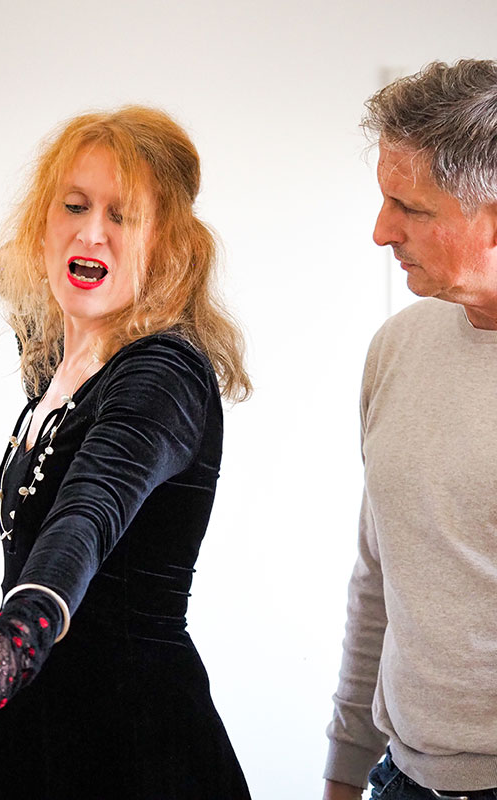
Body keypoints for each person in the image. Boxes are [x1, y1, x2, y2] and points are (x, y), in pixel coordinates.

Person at [0, 106, 253, 800]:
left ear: (165, 247)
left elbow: (86, 513)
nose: (91, 231)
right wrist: (17, 269)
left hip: (134, 747)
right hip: (41, 728)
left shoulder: (160, 375)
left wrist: (9, 645)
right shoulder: (68, 369)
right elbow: (57, 326)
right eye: (73, 206)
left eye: (122, 216)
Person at [323, 59, 497, 800]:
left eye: (410, 207)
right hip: (399, 777)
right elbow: (379, 577)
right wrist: (344, 769)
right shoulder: (397, 346)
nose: (380, 232)